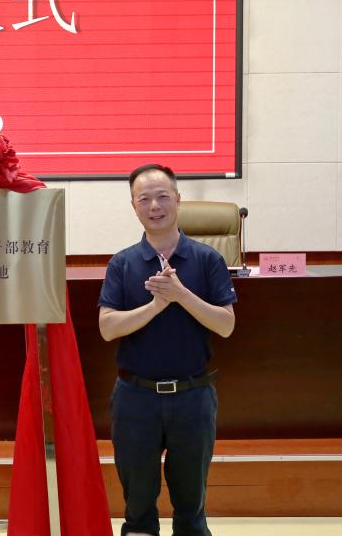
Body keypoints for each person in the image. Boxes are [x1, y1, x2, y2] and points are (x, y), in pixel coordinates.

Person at [98, 163, 236, 536]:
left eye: (162, 197)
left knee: (191, 507)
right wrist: (156, 305)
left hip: (193, 397)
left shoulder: (207, 259)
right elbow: (108, 328)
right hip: (135, 399)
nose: (154, 206)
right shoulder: (122, 263)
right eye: (144, 199)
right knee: (138, 506)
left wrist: (180, 295)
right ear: (134, 206)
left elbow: (226, 324)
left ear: (178, 199)